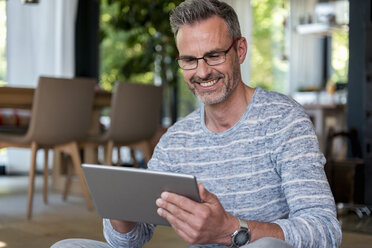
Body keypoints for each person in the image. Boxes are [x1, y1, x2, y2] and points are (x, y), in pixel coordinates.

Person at [52, 0, 342, 247]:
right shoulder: (177, 139)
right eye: (189, 60)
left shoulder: (284, 120)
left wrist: (231, 229)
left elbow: (326, 230)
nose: (202, 72)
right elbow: (129, 240)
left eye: (214, 56)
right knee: (66, 246)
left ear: (239, 50)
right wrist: (119, 206)